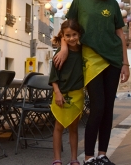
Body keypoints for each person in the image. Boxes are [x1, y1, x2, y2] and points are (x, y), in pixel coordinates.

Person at [53, 0, 130, 165]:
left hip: (113, 60)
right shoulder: (80, 2)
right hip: (91, 60)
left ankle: (102, 154)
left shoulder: (112, 5)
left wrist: (125, 63)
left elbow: (120, 35)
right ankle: (88, 157)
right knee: (97, 107)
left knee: (108, 108)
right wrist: (63, 47)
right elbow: (66, 28)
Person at [49, 19, 85, 165]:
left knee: (74, 128)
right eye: (68, 36)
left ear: (79, 34)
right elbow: (53, 76)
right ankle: (57, 159)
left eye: (74, 34)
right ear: (63, 36)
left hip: (77, 95)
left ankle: (74, 158)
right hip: (61, 95)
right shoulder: (60, 53)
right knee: (58, 127)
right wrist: (57, 93)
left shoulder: (83, 51)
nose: (72, 38)